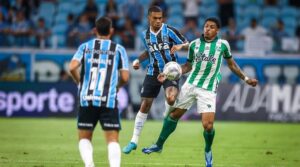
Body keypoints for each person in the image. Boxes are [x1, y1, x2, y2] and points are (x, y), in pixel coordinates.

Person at [142, 17, 258, 167]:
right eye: (205, 26)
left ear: (217, 30)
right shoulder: (194, 45)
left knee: (208, 126)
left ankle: (208, 150)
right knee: (173, 115)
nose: (207, 29)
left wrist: (246, 78)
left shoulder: (223, 45)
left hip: (208, 88)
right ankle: (158, 144)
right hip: (191, 84)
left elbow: (232, 65)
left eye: (211, 27)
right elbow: (187, 66)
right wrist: (168, 74)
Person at [122, 6, 189, 154]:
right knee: (145, 105)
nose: (158, 21)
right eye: (155, 18)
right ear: (149, 18)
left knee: (171, 99)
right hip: (153, 72)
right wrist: (138, 60)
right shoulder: (144, 35)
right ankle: (133, 141)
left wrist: (180, 46)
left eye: (160, 18)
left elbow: (188, 44)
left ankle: (166, 120)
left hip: (170, 72)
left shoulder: (170, 31)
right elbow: (149, 51)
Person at [68, 17, 129, 167]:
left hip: (87, 98)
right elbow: (125, 77)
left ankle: (90, 165)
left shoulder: (85, 47)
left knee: (84, 138)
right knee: (112, 139)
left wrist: (79, 82)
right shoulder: (119, 49)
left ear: (95, 30)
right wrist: (118, 86)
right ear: (112, 31)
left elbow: (72, 67)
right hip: (108, 99)